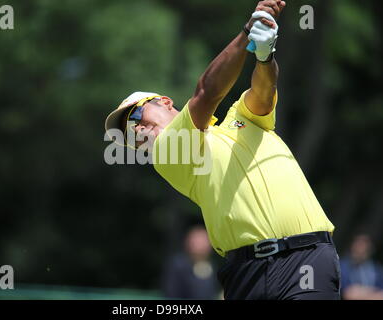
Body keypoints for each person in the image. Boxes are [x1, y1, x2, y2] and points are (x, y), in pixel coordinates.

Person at [105, 0, 340, 299]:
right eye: (128, 135)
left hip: (306, 261)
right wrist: (247, 34)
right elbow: (207, 93)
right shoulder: (166, 152)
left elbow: (263, 94)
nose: (135, 131)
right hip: (246, 273)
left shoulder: (240, 119)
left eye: (135, 117)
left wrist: (265, 58)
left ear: (164, 101)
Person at [161, 225, 218, 300]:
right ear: (188, 242)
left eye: (205, 241)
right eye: (197, 241)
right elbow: (171, 294)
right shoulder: (178, 265)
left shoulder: (212, 266)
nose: (202, 245)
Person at [340, 234, 383, 300]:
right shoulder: (341, 266)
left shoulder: (376, 268)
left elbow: (381, 294)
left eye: (364, 248)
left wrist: (360, 292)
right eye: (358, 246)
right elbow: (347, 294)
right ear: (352, 247)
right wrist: (372, 292)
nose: (361, 250)